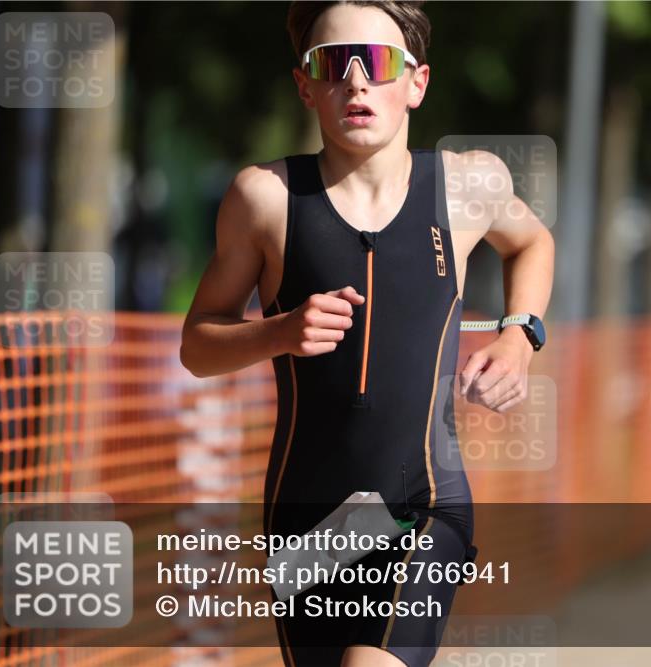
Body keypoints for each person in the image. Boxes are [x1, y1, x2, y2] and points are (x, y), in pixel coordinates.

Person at [180, 1, 554, 665]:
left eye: (377, 63)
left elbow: (531, 242)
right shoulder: (264, 198)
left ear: (417, 83)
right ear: (306, 86)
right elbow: (199, 343)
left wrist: (519, 333)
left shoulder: (468, 185)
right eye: (332, 64)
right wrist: (280, 331)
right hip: (307, 513)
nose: (355, 81)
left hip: (424, 500)